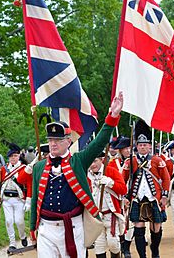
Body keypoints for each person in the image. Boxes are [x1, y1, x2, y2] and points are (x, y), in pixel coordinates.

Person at [29, 92, 123, 258]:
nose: (52, 144)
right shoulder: (39, 167)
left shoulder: (78, 161)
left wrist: (112, 116)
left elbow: (99, 143)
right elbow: (36, 198)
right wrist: (32, 228)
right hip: (46, 229)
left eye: (57, 140)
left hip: (73, 227)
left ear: (68, 141)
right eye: (50, 140)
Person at [123, 119, 170, 258]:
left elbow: (166, 179)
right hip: (136, 199)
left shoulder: (157, 160)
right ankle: (142, 256)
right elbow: (123, 179)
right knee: (138, 227)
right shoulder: (130, 161)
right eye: (140, 145)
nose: (143, 147)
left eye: (145, 145)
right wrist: (125, 197)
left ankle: (155, 251)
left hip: (154, 198)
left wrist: (165, 195)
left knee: (156, 226)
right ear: (136, 146)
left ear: (150, 146)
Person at [0, 143, 32, 253]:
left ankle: (23, 236)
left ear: (19, 156)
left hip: (19, 200)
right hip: (6, 199)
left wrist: (28, 201)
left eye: (15, 156)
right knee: (9, 221)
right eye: (11, 156)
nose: (13, 158)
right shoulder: (3, 169)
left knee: (19, 221)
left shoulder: (24, 169)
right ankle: (12, 243)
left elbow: (29, 185)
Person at [87, 152, 127, 258]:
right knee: (99, 245)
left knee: (113, 242)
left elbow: (123, 189)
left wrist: (110, 183)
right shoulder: (87, 175)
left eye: (95, 161)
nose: (92, 165)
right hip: (95, 216)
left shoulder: (111, 171)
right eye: (90, 161)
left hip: (111, 214)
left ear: (102, 160)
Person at [108, 136, 132, 257]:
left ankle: (126, 248)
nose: (127, 150)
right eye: (125, 148)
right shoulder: (112, 163)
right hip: (118, 197)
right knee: (120, 224)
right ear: (120, 150)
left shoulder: (135, 161)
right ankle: (120, 246)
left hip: (132, 196)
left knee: (130, 223)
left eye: (129, 148)